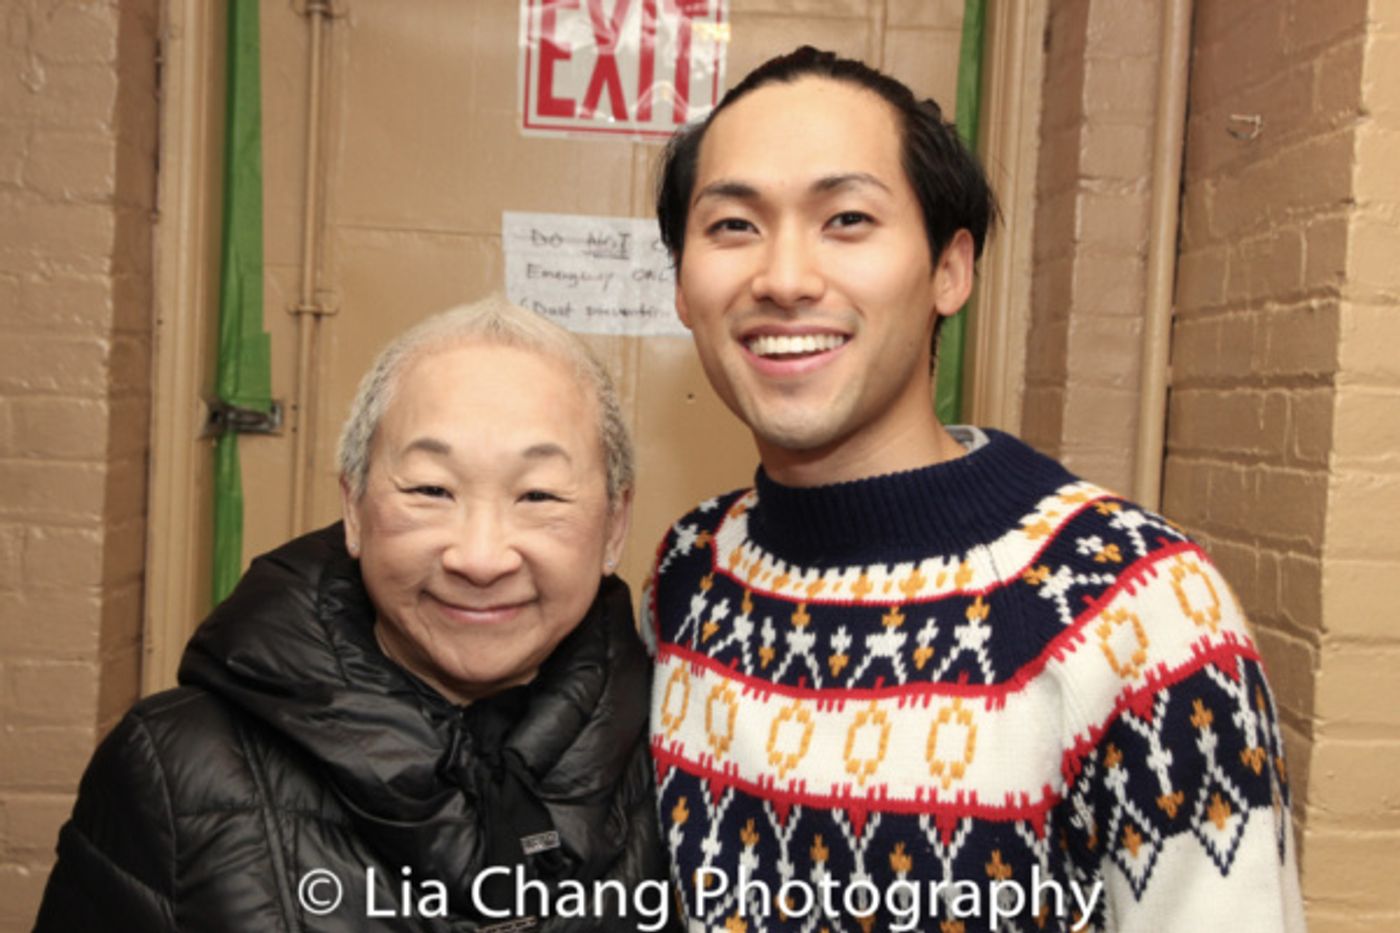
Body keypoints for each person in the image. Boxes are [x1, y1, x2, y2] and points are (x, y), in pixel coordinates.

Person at [645, 47, 1305, 932]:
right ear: (683, 284)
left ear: (950, 272)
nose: (786, 277)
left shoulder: (1143, 611)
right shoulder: (688, 572)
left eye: (846, 217)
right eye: (733, 226)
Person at [36, 297, 676, 932]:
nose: (480, 558)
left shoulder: (689, 756)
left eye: (538, 495)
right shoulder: (175, 771)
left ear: (614, 526)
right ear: (353, 507)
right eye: (431, 490)